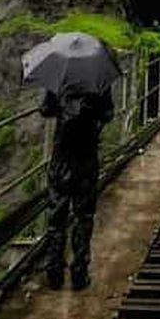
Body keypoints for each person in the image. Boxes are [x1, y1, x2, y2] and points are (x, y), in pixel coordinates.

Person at [39, 85, 114, 290]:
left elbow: (45, 109)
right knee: (84, 217)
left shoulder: (59, 79)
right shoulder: (99, 79)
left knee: (57, 216)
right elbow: (108, 113)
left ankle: (54, 271)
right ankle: (79, 273)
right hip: (86, 157)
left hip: (62, 157)